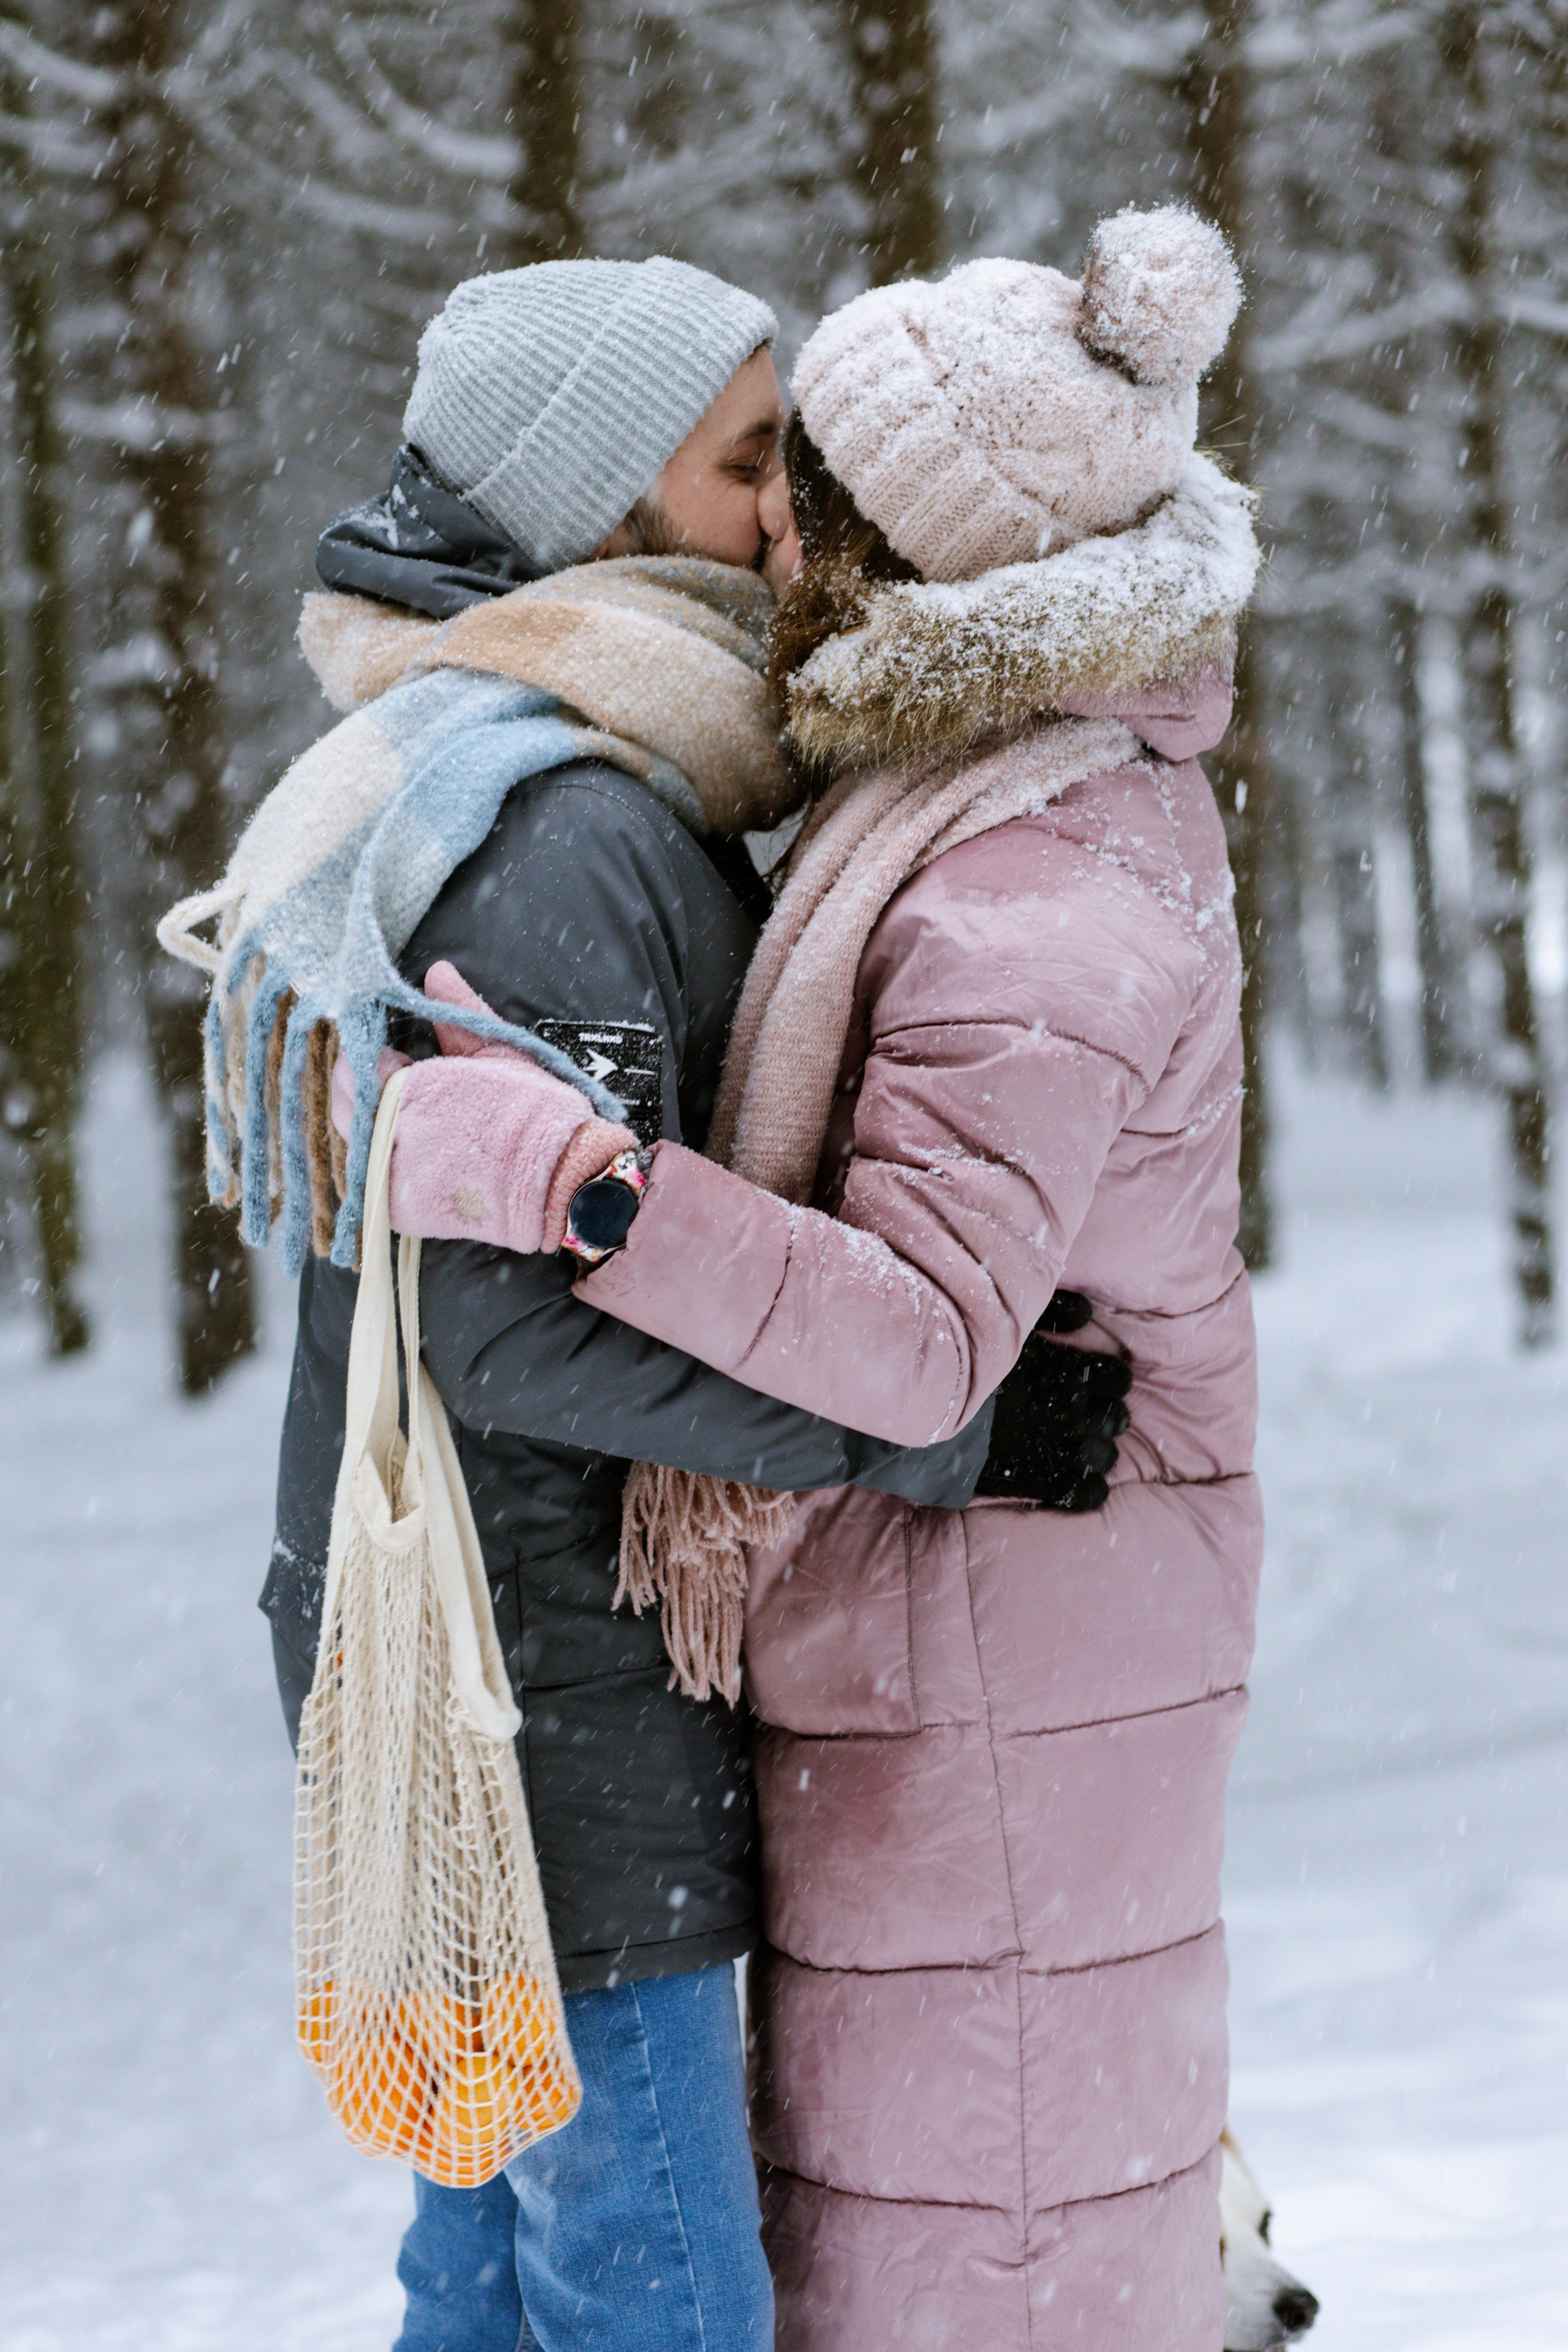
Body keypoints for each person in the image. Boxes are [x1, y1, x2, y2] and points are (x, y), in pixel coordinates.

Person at [162, 255, 1123, 2352]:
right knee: (652, 2292)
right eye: (749, 464)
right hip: (536, 1698)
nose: (795, 516)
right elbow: (516, 1324)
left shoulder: (540, 778)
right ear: (604, 499)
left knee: (499, 2277)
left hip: (462, 1665)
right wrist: (931, 1419)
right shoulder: (569, 836)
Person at [381, 208, 1265, 2347]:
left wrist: (588, 1191)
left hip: (1008, 1659)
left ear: (914, 557)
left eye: (811, 497)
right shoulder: (997, 800)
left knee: (989, 2235)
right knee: (943, 2198)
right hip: (976, 1640)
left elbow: (923, 1343)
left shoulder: (1028, 897)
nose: (772, 538)